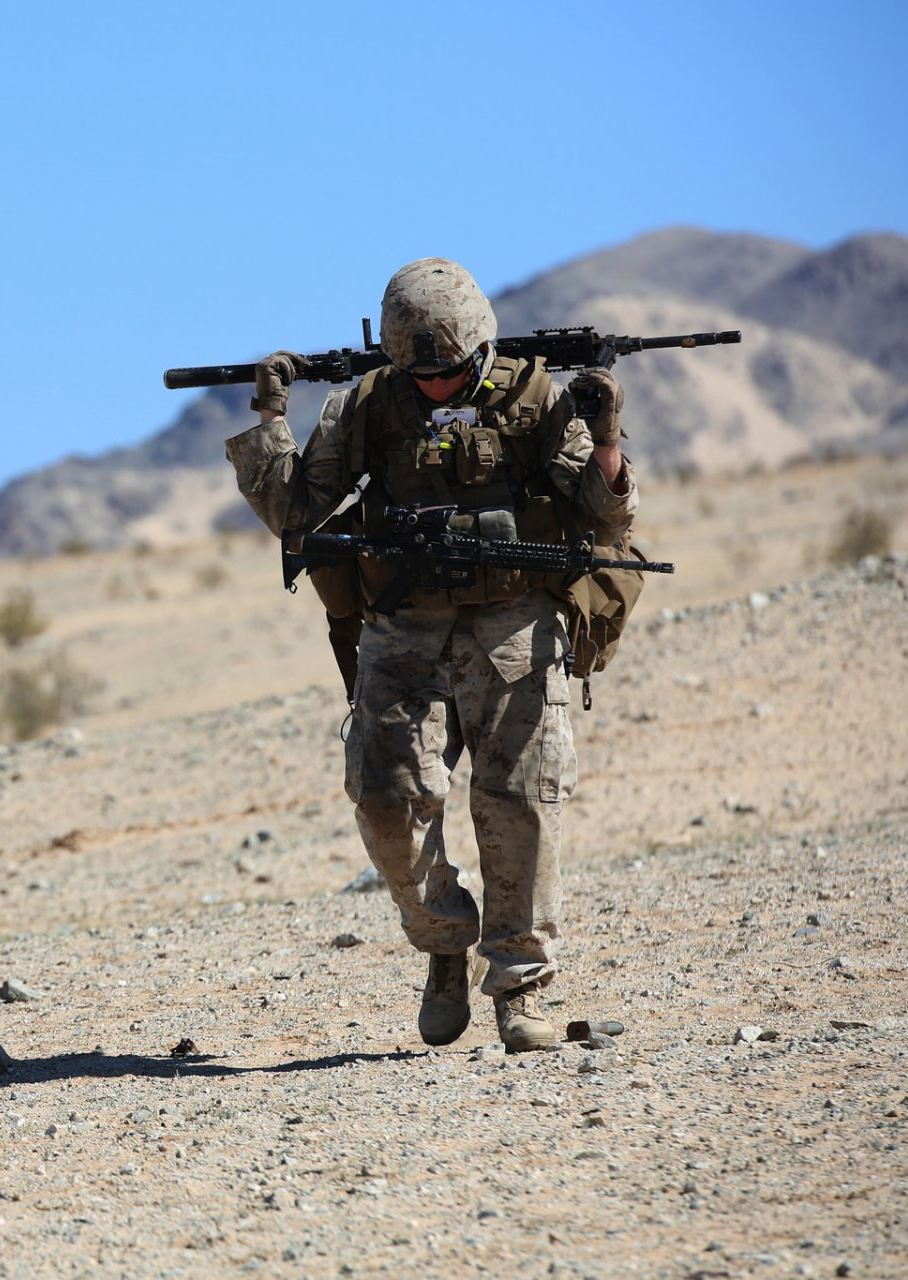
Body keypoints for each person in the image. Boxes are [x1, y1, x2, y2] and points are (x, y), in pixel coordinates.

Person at [223, 258, 636, 1052]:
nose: (436, 387)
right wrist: (272, 414)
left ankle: (519, 987)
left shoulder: (536, 398)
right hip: (402, 624)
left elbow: (609, 520)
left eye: (450, 372)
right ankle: (445, 948)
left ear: (480, 350)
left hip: (513, 622)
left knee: (520, 800)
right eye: (420, 374)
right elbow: (295, 512)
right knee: (386, 799)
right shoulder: (367, 406)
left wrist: (608, 436)